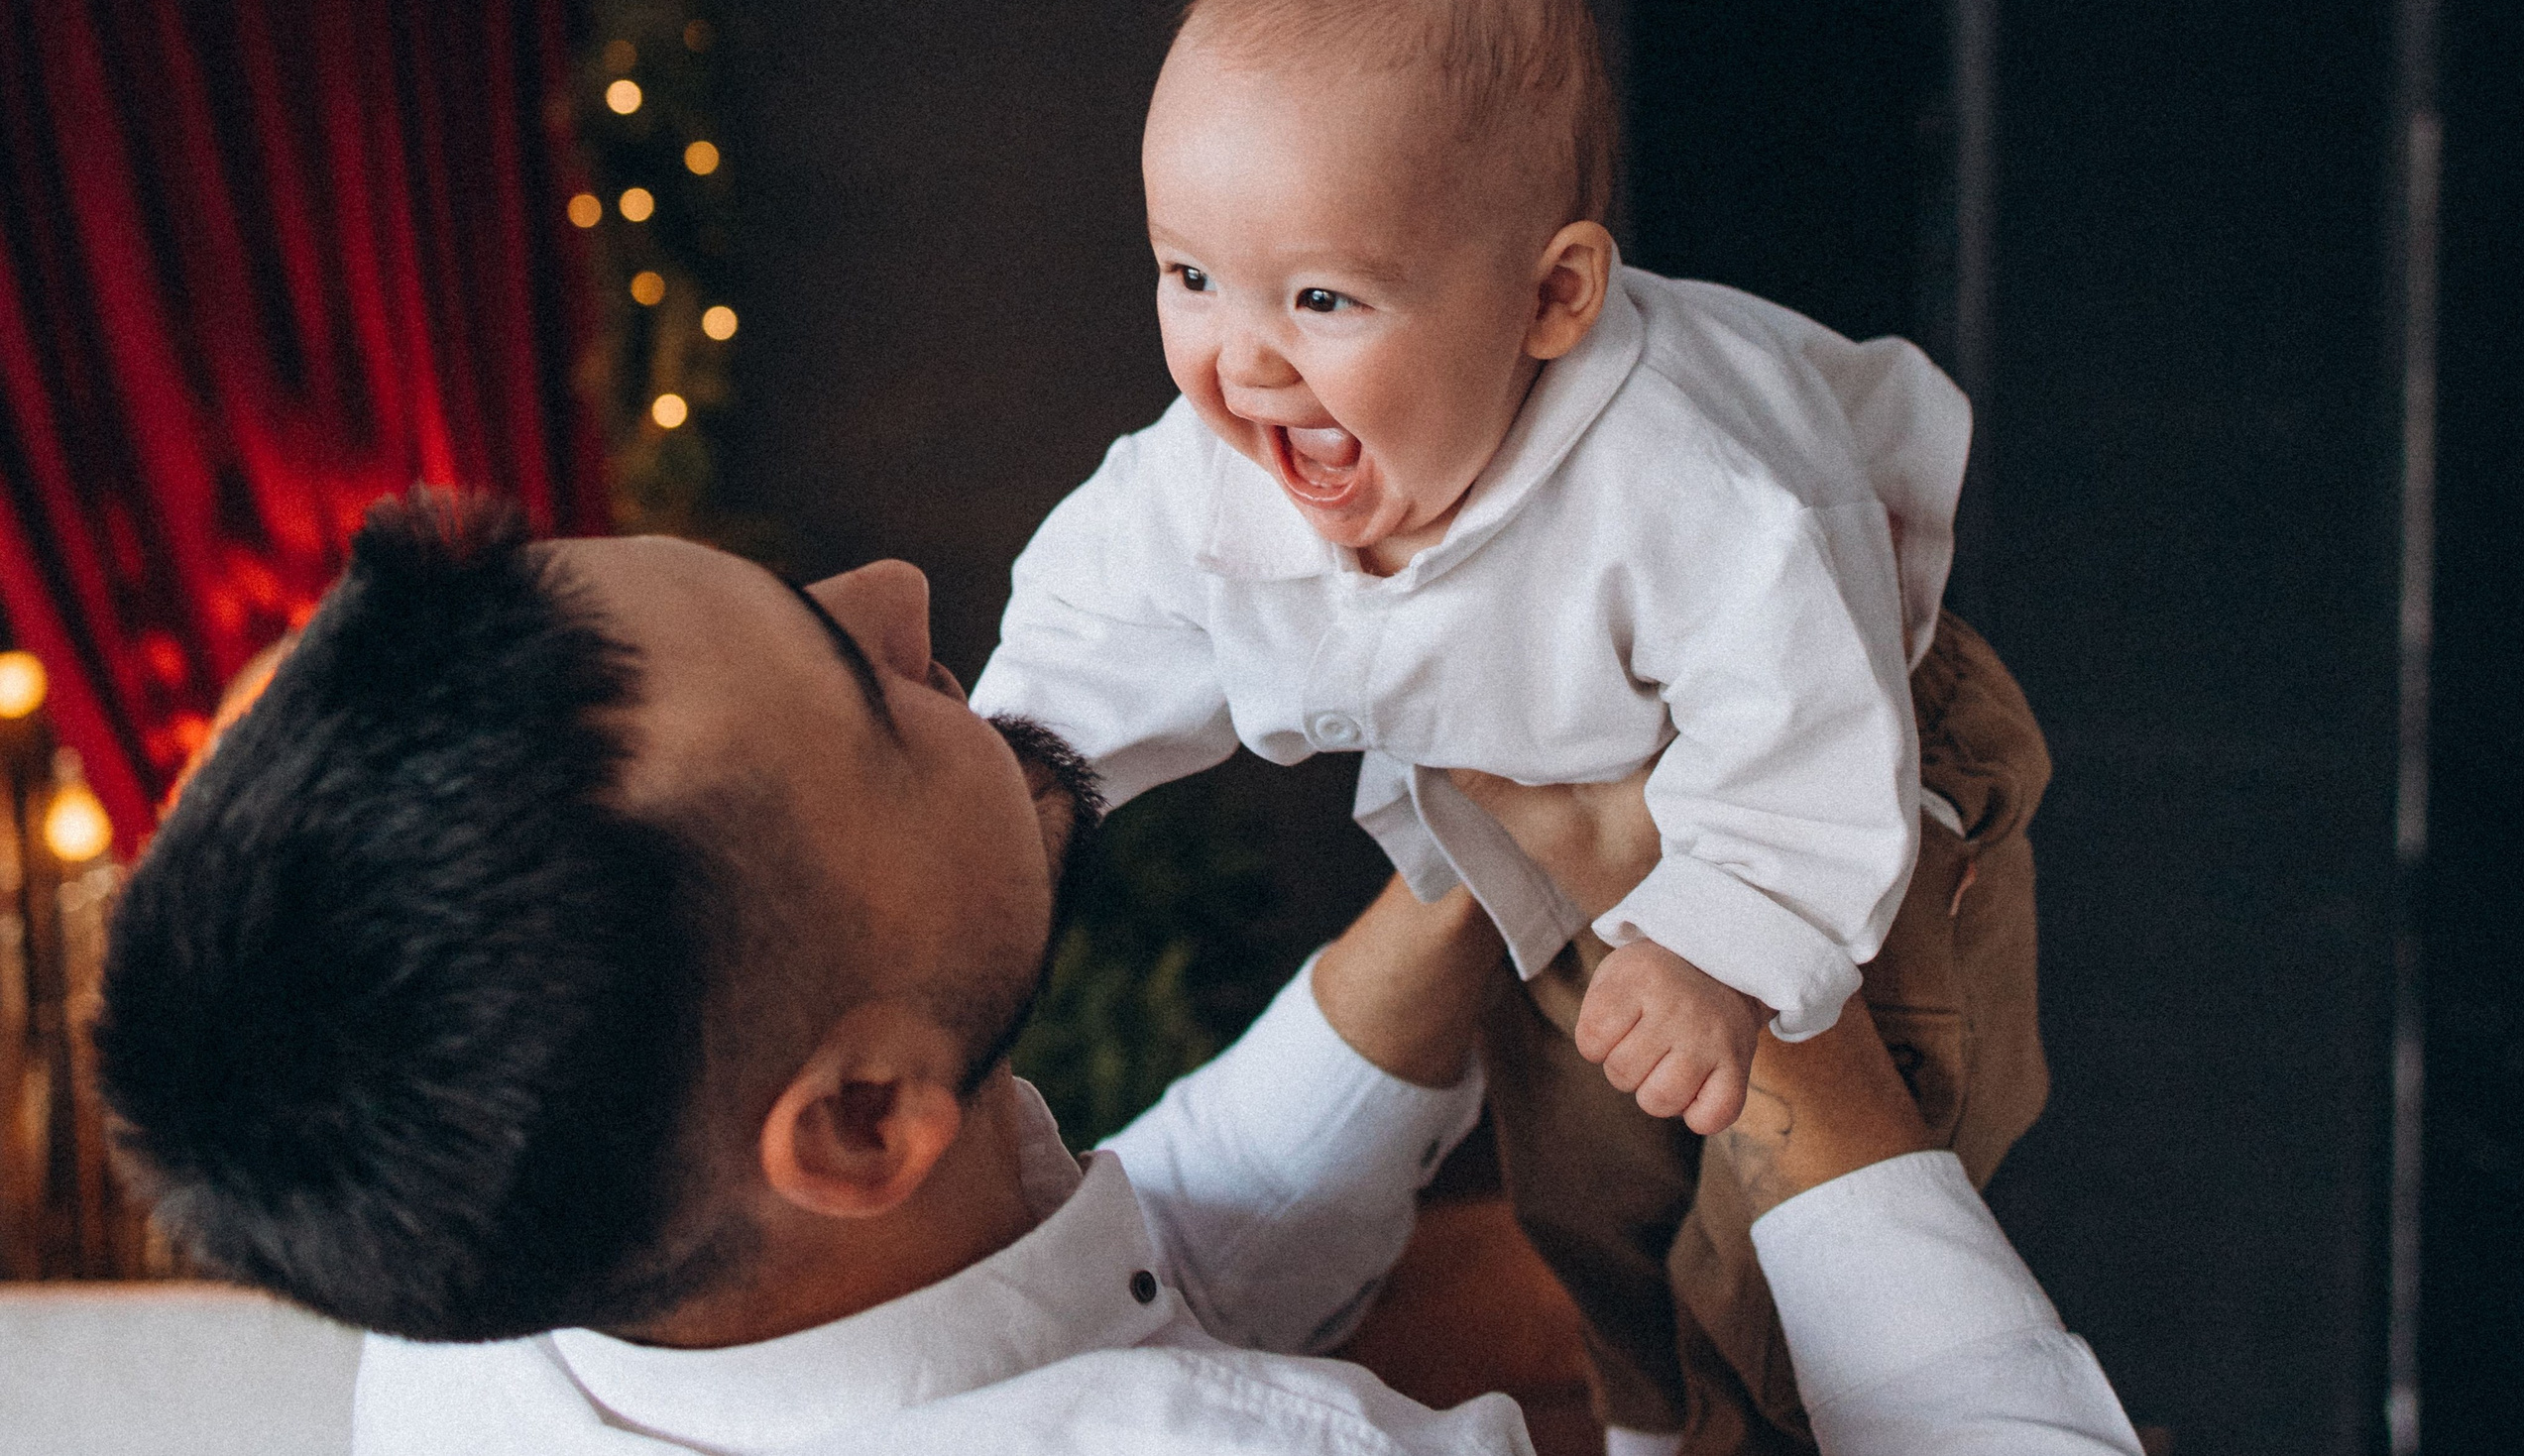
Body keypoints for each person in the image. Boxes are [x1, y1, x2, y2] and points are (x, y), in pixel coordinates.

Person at [95, 496, 2133, 1453]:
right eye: (862, 692)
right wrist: (1769, 1003)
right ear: (861, 1116)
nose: (896, 587)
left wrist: (1456, 888)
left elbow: (1072, 1290)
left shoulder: (473, 1333)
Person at [967, 0, 2048, 1451]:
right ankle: (1648, 1415)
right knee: (1587, 1187)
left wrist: (1727, 942)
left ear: (1552, 298)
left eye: (1322, 299)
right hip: (1540, 831)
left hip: (1847, 787)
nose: (1240, 360)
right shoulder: (1220, 467)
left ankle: (1780, 1428)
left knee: (1781, 1229)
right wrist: (1018, 775)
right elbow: (1096, 624)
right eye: (1188, 276)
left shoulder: (1693, 477)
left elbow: (1805, 723)